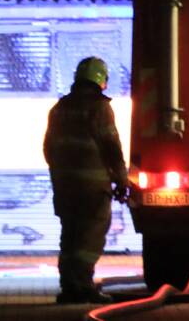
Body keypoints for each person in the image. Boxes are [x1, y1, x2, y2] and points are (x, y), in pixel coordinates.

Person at [43, 56, 128, 304]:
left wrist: (61, 174)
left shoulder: (59, 108)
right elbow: (111, 146)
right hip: (92, 188)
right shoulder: (100, 108)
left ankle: (69, 286)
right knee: (89, 237)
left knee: (69, 237)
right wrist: (121, 179)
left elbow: (48, 148)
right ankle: (83, 285)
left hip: (64, 187)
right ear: (101, 80)